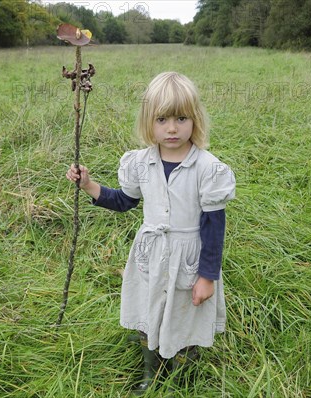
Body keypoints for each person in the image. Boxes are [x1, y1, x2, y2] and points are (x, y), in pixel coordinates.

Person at [65, 72, 235, 394]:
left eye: (181, 118)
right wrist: (88, 185)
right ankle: (150, 370)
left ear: (194, 120)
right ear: (149, 122)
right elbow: (124, 200)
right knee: (148, 308)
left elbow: (214, 227)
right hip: (150, 256)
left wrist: (207, 276)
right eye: (162, 119)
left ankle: (178, 376)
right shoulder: (141, 163)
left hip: (188, 258)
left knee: (184, 314)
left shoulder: (208, 169)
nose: (172, 128)